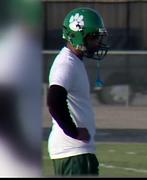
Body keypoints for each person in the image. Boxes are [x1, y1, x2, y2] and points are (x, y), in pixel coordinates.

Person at [47, 7, 108, 176]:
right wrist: (73, 131)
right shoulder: (66, 64)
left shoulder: (73, 61)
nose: (97, 43)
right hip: (73, 151)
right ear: (79, 35)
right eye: (94, 37)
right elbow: (54, 101)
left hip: (76, 151)